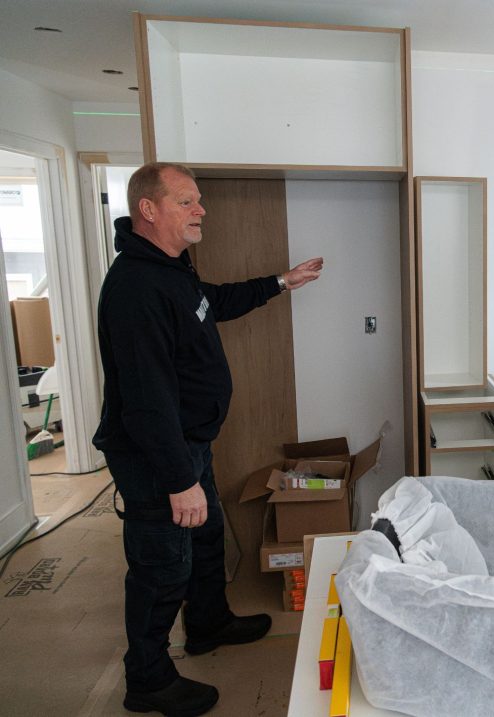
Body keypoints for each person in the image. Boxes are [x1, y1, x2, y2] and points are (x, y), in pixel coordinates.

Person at [93, 162, 323, 717]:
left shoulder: (172, 269)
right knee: (159, 567)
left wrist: (280, 283)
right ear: (149, 209)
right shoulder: (135, 287)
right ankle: (147, 680)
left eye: (199, 201)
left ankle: (208, 622)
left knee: (205, 539)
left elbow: (211, 304)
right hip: (157, 459)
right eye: (188, 202)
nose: (202, 211)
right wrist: (178, 481)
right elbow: (146, 399)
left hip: (188, 446)